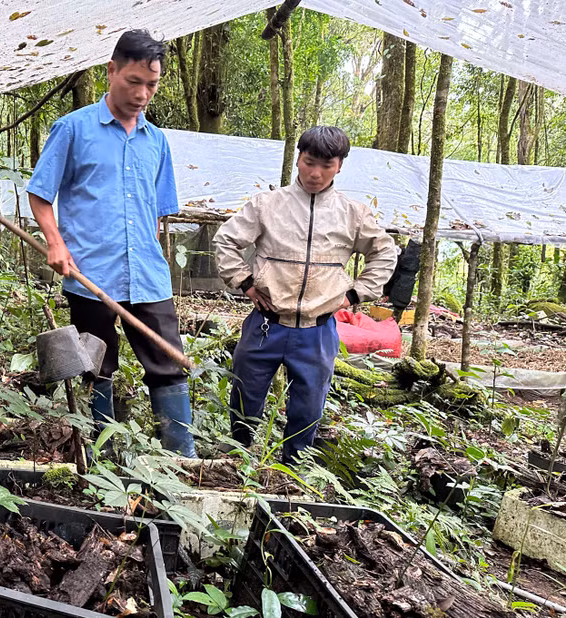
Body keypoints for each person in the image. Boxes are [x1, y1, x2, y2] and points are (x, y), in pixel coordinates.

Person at [26, 29, 197, 458]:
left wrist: (151, 243)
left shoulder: (156, 141)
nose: (142, 94)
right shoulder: (73, 129)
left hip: (148, 276)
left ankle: (181, 455)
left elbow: (158, 210)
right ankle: (104, 455)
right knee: (97, 365)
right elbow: (40, 193)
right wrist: (55, 243)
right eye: (133, 82)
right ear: (111, 71)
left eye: (152, 85)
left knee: (168, 361)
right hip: (89, 274)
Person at [213, 126, 396, 463]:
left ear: (339, 166)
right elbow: (226, 240)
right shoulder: (267, 205)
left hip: (318, 327)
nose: (315, 173)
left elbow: (385, 253)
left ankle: (291, 469)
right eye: (310, 162)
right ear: (298, 159)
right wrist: (245, 282)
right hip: (267, 323)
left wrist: (355, 295)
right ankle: (237, 458)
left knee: (309, 403)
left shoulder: (353, 213)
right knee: (245, 394)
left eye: (326, 165)